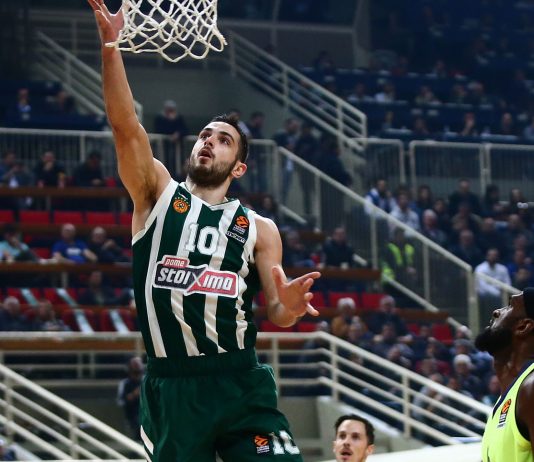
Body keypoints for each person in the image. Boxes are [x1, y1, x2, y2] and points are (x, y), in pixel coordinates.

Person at [88, 2, 321, 461]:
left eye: (223, 139)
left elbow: (277, 311)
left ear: (239, 167)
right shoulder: (156, 193)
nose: (209, 140)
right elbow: (125, 126)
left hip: (240, 382)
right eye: (204, 135)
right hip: (174, 384)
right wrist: (111, 48)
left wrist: (290, 307)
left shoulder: (259, 228)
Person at [474, 289, 534, 462]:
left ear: (523, 326)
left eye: (510, 306)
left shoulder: (531, 388)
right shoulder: (509, 397)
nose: (496, 311)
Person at [117, 356, 145, 440]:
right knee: (138, 422)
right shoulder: (125, 383)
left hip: (146, 413)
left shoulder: (145, 382)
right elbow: (120, 401)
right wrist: (133, 395)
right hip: (132, 414)